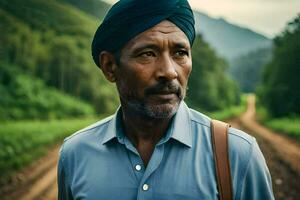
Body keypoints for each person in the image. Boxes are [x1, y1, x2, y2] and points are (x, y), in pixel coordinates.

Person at [57, 0, 274, 199]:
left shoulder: (238, 154)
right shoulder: (75, 154)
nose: (169, 72)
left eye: (180, 53)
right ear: (110, 66)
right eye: (147, 54)